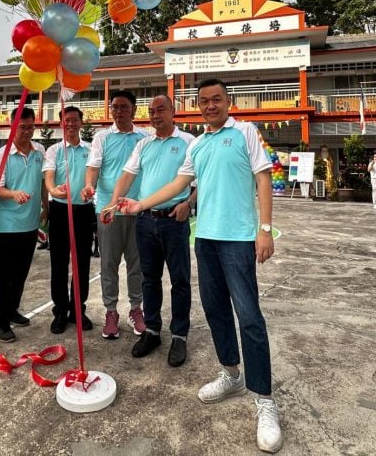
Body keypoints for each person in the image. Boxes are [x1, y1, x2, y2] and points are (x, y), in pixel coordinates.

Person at [119, 78, 283, 454]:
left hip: (239, 239)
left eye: (216, 100)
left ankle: (265, 399)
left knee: (250, 317)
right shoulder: (200, 143)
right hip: (204, 238)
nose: (210, 106)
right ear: (197, 106)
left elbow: (263, 177)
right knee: (216, 312)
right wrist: (139, 205)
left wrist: (265, 229)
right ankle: (230, 373)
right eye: (204, 102)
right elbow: (179, 181)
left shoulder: (245, 132)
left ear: (228, 101)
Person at [105, 95, 196, 366]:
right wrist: (112, 203)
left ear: (173, 112)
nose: (155, 115)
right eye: (151, 112)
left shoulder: (189, 142)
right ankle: (153, 330)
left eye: (161, 110)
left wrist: (188, 204)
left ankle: (179, 335)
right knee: (149, 279)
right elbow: (127, 175)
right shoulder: (144, 144)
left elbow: (200, 179)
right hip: (145, 221)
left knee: (180, 281)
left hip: (174, 220)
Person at [82, 90, 147, 339]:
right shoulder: (102, 137)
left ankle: (136, 310)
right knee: (108, 264)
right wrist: (90, 185)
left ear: (134, 109)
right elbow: (93, 168)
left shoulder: (145, 137)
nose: (118, 111)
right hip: (108, 212)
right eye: (115, 107)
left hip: (137, 209)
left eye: (123, 107)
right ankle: (111, 312)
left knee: (136, 265)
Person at [0, 106, 47, 343]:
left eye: (30, 127)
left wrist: (46, 204)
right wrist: (13, 194)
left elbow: (43, 180)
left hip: (31, 223)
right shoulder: (0, 156)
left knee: (20, 273)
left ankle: (12, 310)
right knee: (2, 275)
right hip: (6, 225)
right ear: (12, 126)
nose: (27, 132)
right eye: (22, 127)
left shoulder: (40, 150)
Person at [42, 105, 96, 335]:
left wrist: (88, 188)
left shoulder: (91, 149)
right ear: (61, 123)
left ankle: (78, 310)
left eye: (75, 120)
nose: (71, 124)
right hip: (60, 210)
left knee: (81, 263)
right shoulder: (53, 150)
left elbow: (93, 175)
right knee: (59, 263)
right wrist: (53, 190)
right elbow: (49, 177)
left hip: (83, 211)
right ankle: (60, 312)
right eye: (67, 120)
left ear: (81, 124)